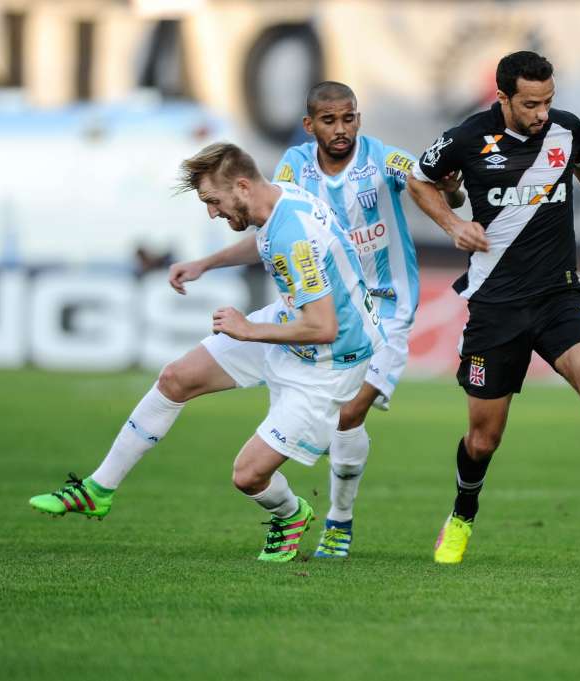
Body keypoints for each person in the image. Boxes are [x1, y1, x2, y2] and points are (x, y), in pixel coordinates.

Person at [29, 142, 384, 561]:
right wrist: (206, 263)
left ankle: (290, 514)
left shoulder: (294, 236)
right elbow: (264, 241)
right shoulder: (278, 200)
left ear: (241, 185)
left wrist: (248, 330)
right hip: (293, 324)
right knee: (175, 378)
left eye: (213, 202)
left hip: (328, 363)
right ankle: (98, 489)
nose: (212, 213)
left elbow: (325, 327)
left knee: (248, 476)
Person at [407, 51, 580, 564]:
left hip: (559, 296)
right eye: (530, 104)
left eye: (549, 102)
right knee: (483, 440)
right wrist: (453, 224)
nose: (542, 114)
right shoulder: (468, 137)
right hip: (496, 307)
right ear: (503, 97)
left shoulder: (566, 130)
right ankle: (463, 515)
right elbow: (420, 181)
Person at [176, 82, 464, 559]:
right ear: (310, 126)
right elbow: (267, 224)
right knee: (337, 421)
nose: (341, 129)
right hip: (327, 305)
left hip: (386, 310)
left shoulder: (384, 160)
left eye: (349, 118)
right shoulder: (294, 167)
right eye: (329, 121)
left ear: (358, 118)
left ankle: (340, 521)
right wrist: (207, 263)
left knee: (350, 413)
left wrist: (452, 199)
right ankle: (308, 472)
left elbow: (427, 184)